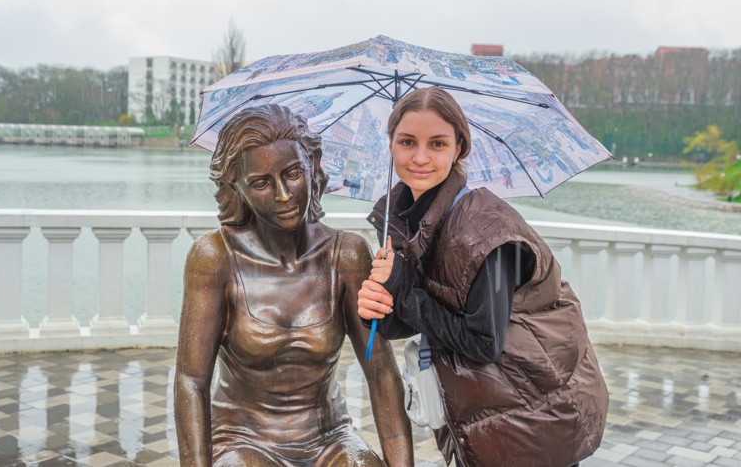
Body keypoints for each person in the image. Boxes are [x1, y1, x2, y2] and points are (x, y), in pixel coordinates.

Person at [357, 87, 608, 467]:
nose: (420, 157)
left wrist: (404, 290)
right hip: (482, 410)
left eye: (437, 144)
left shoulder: (485, 232)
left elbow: (482, 341)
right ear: (390, 145)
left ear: (459, 148)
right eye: (407, 141)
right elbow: (405, 321)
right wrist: (377, 307)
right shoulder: (401, 221)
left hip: (535, 412)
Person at [174, 104, 413, 466]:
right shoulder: (215, 258)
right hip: (243, 438)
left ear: (313, 170)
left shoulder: (347, 255)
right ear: (236, 188)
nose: (284, 195)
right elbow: (191, 381)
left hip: (330, 437)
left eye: (293, 173)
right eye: (261, 182)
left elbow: (380, 371)